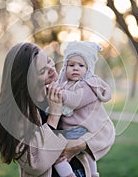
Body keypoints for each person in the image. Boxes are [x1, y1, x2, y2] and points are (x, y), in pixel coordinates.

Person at [0, 42, 115, 177]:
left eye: (49, 61)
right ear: (26, 80)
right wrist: (54, 115)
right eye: (43, 71)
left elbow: (106, 130)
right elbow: (35, 163)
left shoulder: (63, 91)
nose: (52, 69)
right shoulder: (18, 113)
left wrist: (82, 144)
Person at [51, 41, 113, 177]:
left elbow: (75, 101)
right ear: (65, 67)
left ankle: (84, 174)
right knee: (75, 157)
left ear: (88, 69)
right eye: (71, 65)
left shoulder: (89, 85)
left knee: (61, 156)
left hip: (80, 130)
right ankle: (82, 174)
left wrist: (59, 93)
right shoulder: (67, 84)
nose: (75, 68)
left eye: (81, 65)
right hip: (71, 130)